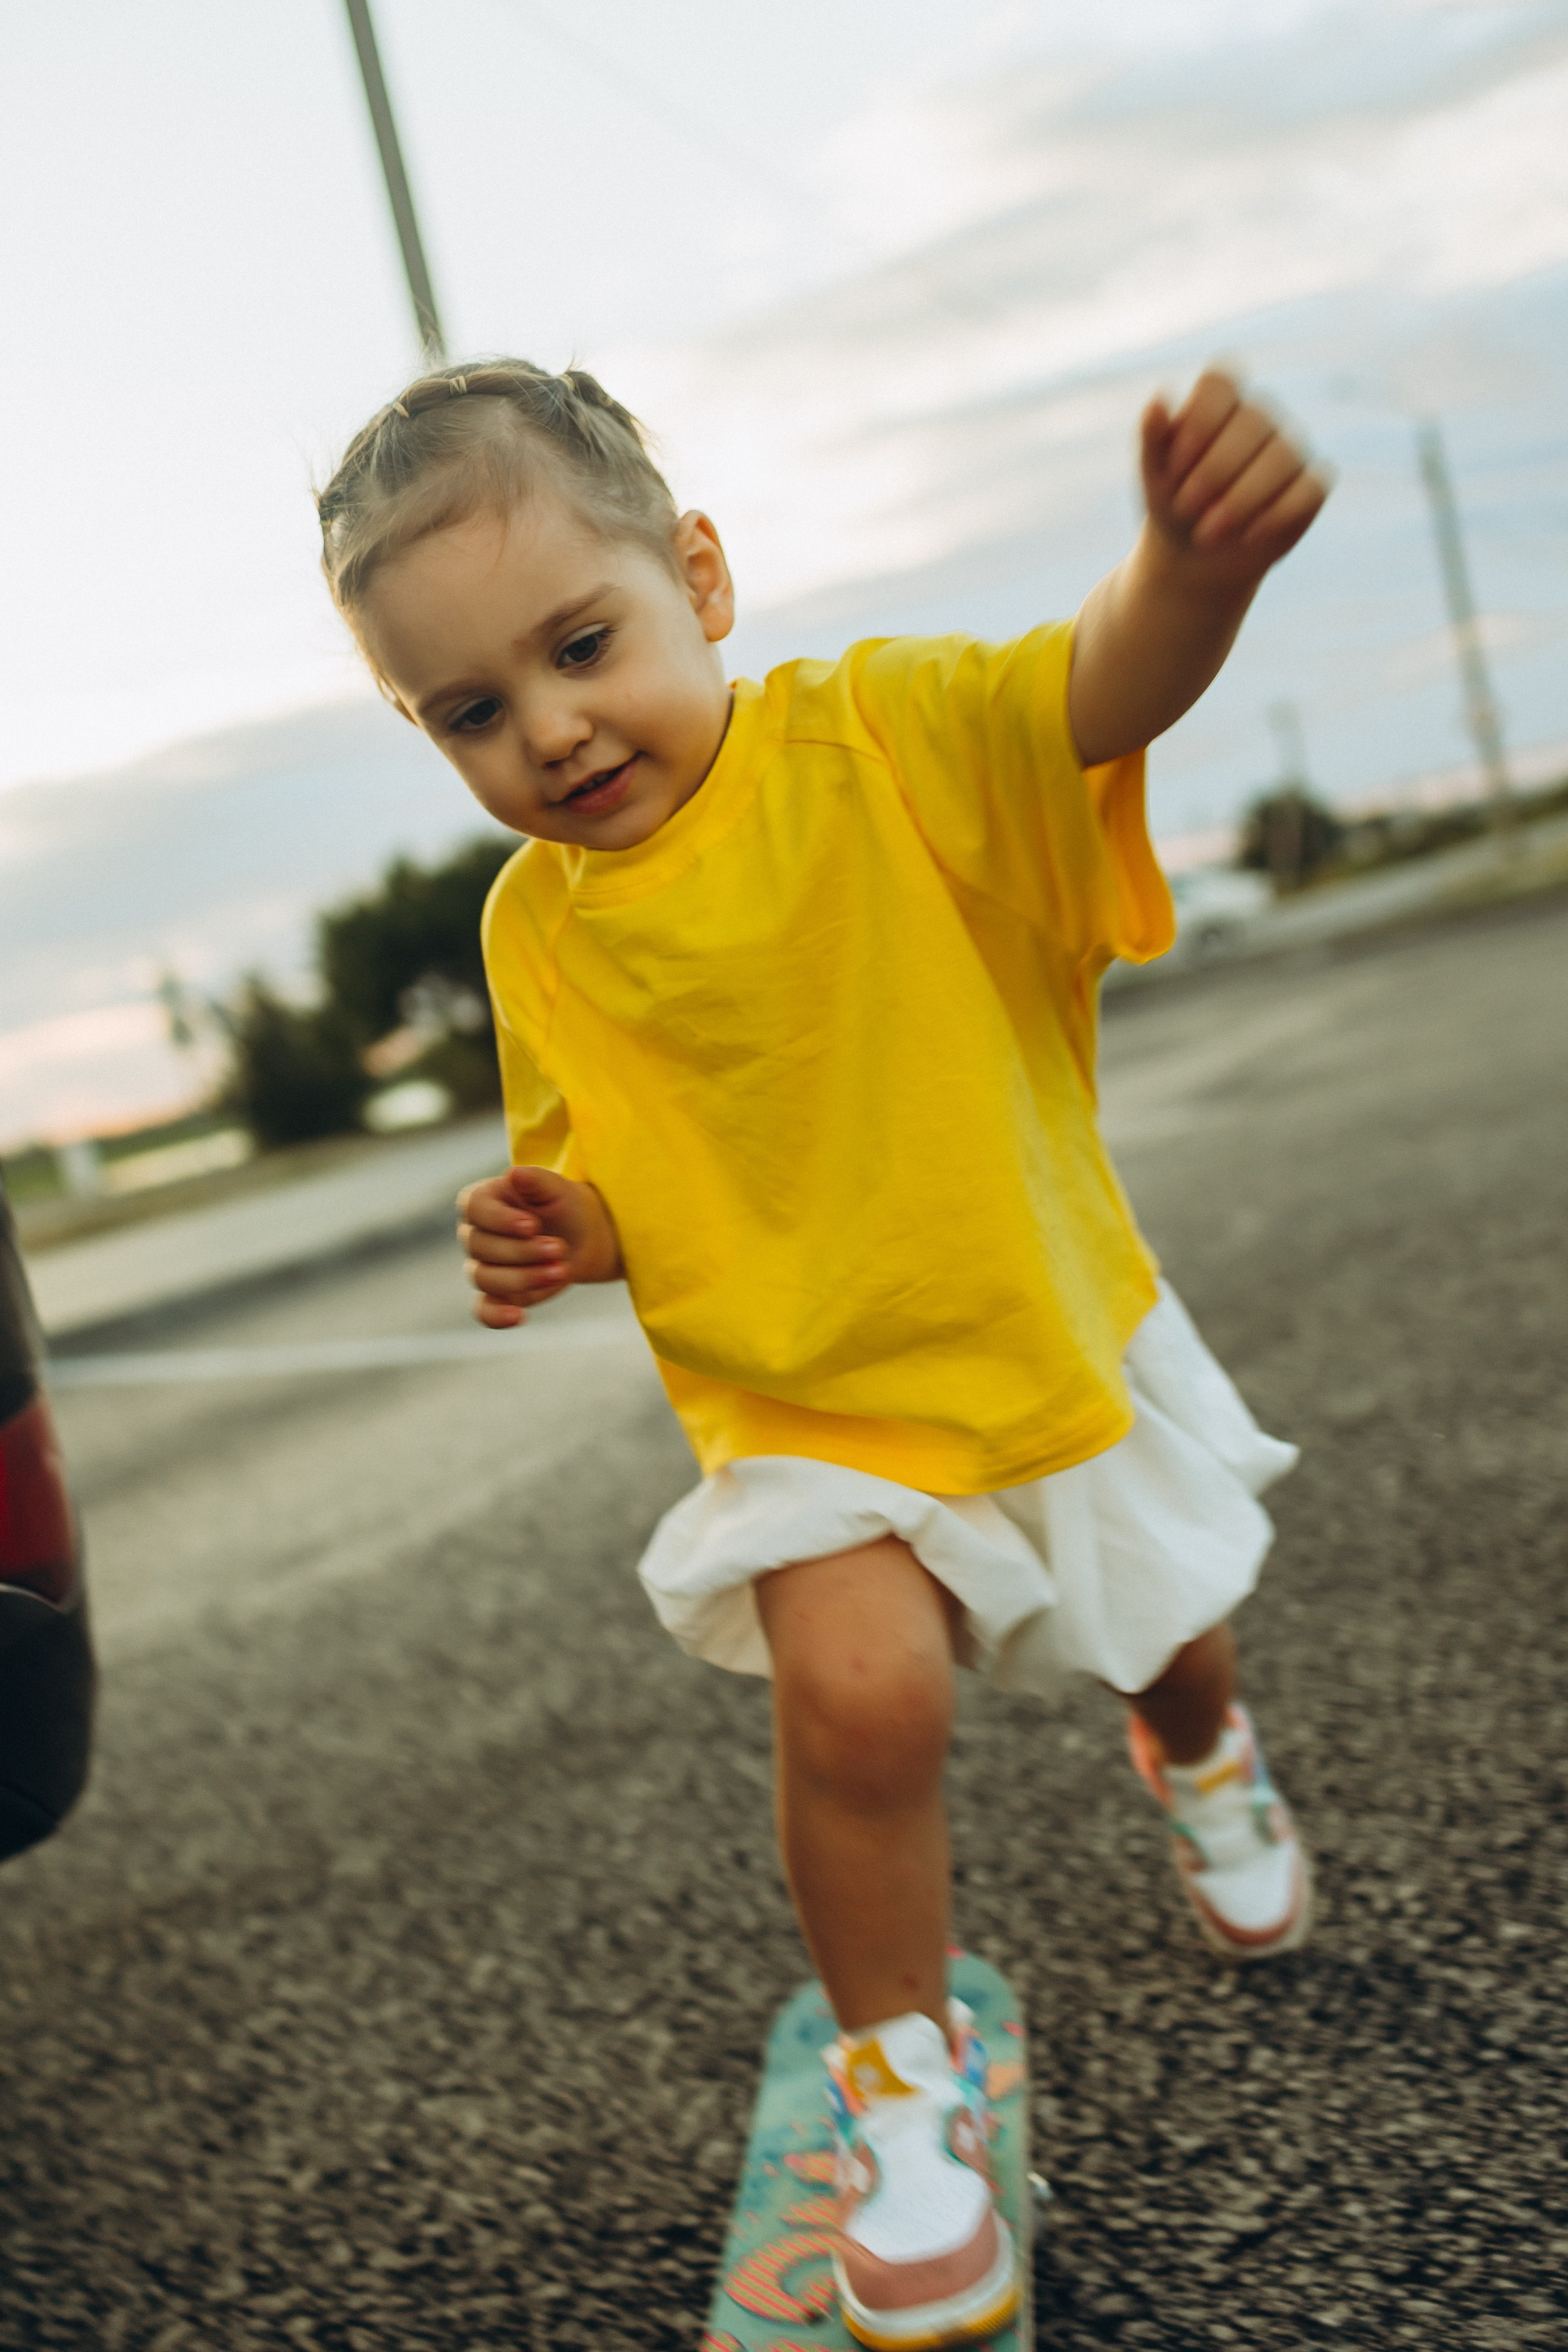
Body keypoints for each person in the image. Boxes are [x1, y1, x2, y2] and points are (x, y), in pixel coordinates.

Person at [316, 359, 1328, 2351]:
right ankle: (905, 2095)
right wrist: (556, 1226)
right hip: (803, 1404)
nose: (552, 729)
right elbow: (605, 1176)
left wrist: (1189, 575)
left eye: (581, 644)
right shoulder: (542, 930)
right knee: (857, 1704)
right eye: (472, 713)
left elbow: (1091, 693)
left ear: (699, 575)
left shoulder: (878, 736)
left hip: (1033, 1329)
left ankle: (1200, 1751)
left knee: (1169, 1629)